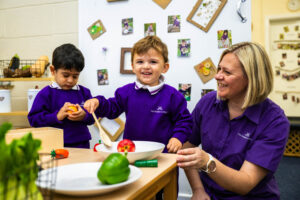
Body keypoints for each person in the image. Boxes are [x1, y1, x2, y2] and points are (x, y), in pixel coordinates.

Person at [176, 42, 290, 200]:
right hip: (209, 194)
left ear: (251, 78)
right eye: (219, 68)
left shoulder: (274, 121)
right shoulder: (207, 102)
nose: (217, 76)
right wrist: (197, 190)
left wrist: (207, 162)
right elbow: (184, 150)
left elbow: (246, 183)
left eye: (227, 72)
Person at [84, 35, 192, 153]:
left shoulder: (173, 96)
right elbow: (111, 108)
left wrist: (178, 138)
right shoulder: (125, 92)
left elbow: (184, 121)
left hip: (163, 156)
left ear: (165, 67)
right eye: (140, 62)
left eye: (153, 62)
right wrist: (97, 102)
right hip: (131, 154)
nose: (146, 66)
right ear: (133, 67)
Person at [28, 43, 95, 148]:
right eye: (65, 75)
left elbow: (94, 117)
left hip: (82, 144)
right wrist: (56, 116)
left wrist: (84, 115)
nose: (70, 80)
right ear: (53, 70)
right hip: (54, 145)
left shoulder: (84, 92)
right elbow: (34, 120)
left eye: (75, 76)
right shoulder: (45, 94)